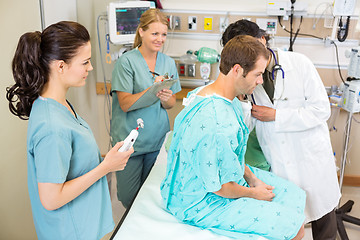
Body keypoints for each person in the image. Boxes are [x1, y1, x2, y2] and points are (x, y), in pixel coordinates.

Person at [161, 35, 306, 240]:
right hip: (201, 200)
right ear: (237, 70)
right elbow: (219, 187)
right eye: (257, 74)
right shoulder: (215, 122)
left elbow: (233, 156)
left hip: (225, 179)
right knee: (295, 228)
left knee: (294, 194)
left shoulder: (217, 96)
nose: (260, 81)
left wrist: (253, 179)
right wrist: (254, 193)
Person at [6, 21, 133, 240]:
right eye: (85, 62)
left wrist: (106, 159)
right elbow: (51, 198)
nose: (90, 68)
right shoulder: (52, 126)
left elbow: (69, 161)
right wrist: (106, 167)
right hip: (69, 232)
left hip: (81, 226)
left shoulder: (57, 104)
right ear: (61, 66)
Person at [221, 19, 341, 240]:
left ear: (263, 40)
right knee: (290, 223)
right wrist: (241, 100)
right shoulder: (247, 78)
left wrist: (277, 115)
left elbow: (321, 109)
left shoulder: (299, 63)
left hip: (311, 157)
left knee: (324, 220)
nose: (248, 58)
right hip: (279, 160)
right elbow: (246, 125)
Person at [111, 8, 181, 209]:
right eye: (155, 33)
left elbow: (169, 103)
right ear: (141, 32)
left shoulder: (167, 62)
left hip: (157, 140)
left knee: (153, 195)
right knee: (128, 196)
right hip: (130, 143)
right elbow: (125, 104)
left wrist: (166, 97)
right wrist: (154, 90)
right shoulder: (126, 62)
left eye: (164, 34)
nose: (160, 39)